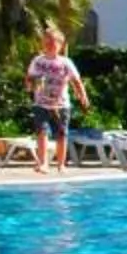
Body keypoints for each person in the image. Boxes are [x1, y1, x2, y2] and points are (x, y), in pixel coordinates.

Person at [24, 24, 91, 173]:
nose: (50, 45)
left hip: (61, 105)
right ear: (42, 44)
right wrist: (30, 86)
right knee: (42, 132)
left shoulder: (66, 62)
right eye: (47, 42)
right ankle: (43, 163)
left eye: (53, 43)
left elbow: (76, 81)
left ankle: (61, 164)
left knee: (62, 134)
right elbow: (29, 77)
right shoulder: (38, 61)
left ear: (60, 45)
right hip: (40, 103)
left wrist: (83, 96)